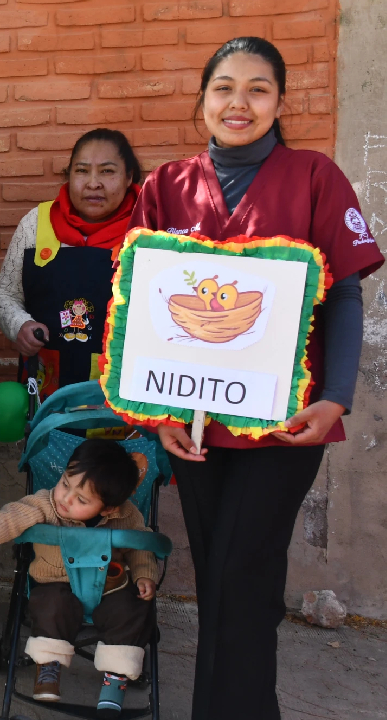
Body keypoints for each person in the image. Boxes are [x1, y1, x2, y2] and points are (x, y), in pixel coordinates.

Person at [131, 37, 383, 720]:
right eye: (224, 87)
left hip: (285, 424)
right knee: (220, 578)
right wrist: (157, 415)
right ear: (202, 99)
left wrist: (335, 399)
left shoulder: (314, 175)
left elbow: (347, 294)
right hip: (194, 429)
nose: (238, 102)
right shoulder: (163, 187)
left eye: (257, 88)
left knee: (242, 575)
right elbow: (138, 308)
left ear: (280, 101)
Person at [0, 440, 157, 718]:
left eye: (81, 499)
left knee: (135, 608)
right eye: (65, 483)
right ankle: (48, 665)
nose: (65, 498)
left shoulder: (126, 516)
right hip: (56, 583)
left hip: (110, 587)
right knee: (49, 605)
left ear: (109, 509)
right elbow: (11, 518)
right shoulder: (46, 505)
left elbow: (141, 546)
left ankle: (116, 677)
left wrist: (145, 575)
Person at [0, 129, 142, 396]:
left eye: (107, 171)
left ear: (129, 177)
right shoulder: (36, 223)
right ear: (69, 175)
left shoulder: (148, 230)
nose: (93, 183)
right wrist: (20, 326)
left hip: (121, 393)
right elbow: (4, 294)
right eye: (82, 171)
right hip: (47, 384)